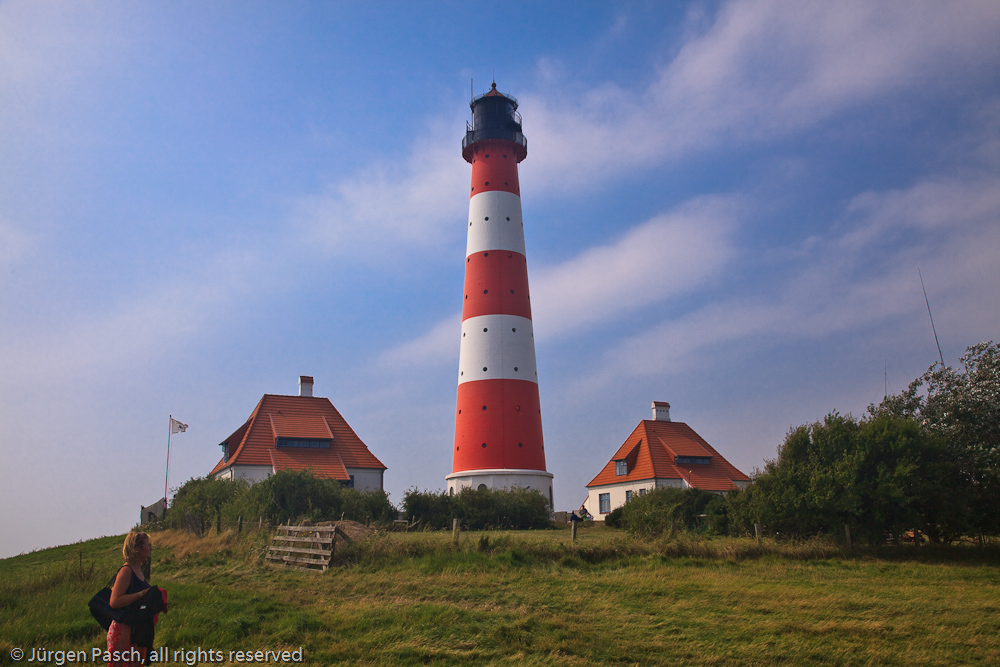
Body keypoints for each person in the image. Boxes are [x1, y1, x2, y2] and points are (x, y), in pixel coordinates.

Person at [107, 532, 153, 667]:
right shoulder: (126, 571)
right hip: (123, 630)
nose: (150, 548)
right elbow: (114, 601)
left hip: (136, 629)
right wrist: (142, 594)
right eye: (148, 545)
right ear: (137, 548)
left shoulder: (138, 569)